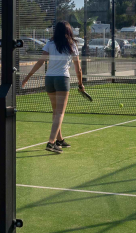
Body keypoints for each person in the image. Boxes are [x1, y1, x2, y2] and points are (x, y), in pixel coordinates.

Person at [21, 21, 87, 153]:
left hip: (49, 80)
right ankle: (51, 142)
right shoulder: (72, 45)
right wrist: (80, 84)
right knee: (60, 113)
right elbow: (78, 68)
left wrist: (27, 77)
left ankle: (59, 140)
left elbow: (40, 62)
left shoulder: (49, 44)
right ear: (68, 31)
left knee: (56, 111)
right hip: (62, 80)